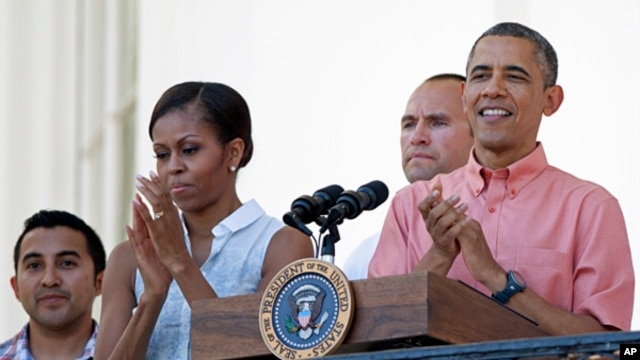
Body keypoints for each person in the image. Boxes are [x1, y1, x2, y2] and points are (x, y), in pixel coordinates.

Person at [368, 22, 634, 335]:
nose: (493, 89)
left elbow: (612, 347)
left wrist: (497, 279)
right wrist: (440, 255)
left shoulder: (590, 207)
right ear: (466, 96)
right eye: (480, 76)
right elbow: (377, 333)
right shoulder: (410, 204)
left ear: (551, 100)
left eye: (514, 76)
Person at [94, 81, 314, 359]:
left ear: (233, 152)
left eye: (189, 150)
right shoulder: (129, 258)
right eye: (162, 154)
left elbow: (256, 354)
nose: (173, 166)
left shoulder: (281, 245)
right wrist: (152, 297)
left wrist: (180, 262)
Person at [342, 73, 474, 280]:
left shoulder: (504, 222)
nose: (416, 137)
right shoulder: (362, 256)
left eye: (438, 123)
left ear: (481, 133)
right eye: (409, 125)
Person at [1, 209, 106, 360]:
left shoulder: (132, 355)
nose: (49, 280)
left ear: (99, 282)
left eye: (67, 263)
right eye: (34, 265)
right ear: (16, 287)